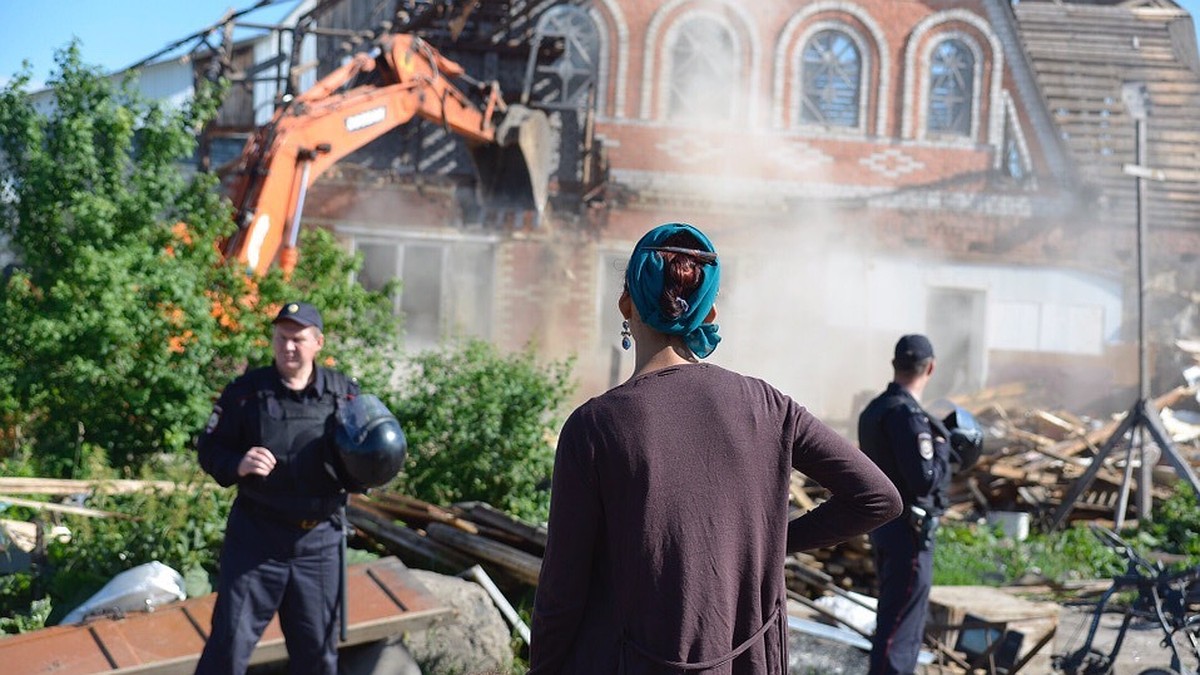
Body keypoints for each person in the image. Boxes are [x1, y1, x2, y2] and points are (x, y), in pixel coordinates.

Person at [529, 222, 902, 674]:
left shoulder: (594, 427)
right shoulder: (769, 407)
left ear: (625, 304)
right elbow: (877, 498)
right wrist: (772, 541)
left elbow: (561, 593)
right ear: (708, 314)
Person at [195, 301, 358, 675]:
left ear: (318, 342)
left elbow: (372, 450)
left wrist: (367, 473)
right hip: (257, 539)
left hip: (319, 543)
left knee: (318, 656)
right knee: (228, 647)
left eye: (297, 339)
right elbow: (209, 448)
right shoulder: (245, 393)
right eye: (281, 338)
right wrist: (238, 463)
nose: (288, 347)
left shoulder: (344, 394)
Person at [858, 334, 952, 675]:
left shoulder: (875, 410)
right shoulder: (908, 415)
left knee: (891, 619)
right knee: (901, 629)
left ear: (895, 364)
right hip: (909, 537)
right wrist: (942, 446)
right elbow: (924, 479)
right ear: (930, 368)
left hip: (884, 529)